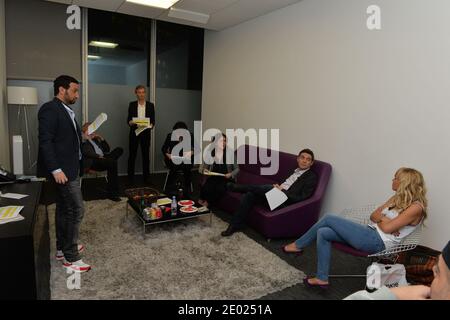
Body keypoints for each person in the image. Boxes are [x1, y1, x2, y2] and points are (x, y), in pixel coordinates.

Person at [284, 167, 427, 288]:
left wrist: (385, 222)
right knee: (323, 232)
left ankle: (297, 245)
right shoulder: (396, 198)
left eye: (396, 178)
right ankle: (322, 278)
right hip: (370, 232)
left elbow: (386, 229)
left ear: (404, 183)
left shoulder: (416, 208)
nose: (392, 180)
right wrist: (386, 221)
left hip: (377, 242)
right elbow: (373, 216)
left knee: (328, 218)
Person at [37, 75, 91, 273]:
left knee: (63, 209)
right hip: (63, 172)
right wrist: (56, 169)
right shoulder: (50, 109)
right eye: (74, 90)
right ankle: (71, 256)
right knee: (76, 210)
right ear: (62, 90)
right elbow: (46, 142)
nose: (77, 94)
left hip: (70, 168)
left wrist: (84, 136)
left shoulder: (66, 110)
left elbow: (65, 138)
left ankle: (61, 248)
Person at [221, 148, 318, 237]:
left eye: (308, 159)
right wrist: (278, 188)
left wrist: (281, 190)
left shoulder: (311, 177)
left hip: (286, 203)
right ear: (298, 159)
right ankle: (234, 225)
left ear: (311, 163)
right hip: (276, 197)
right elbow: (283, 184)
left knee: (270, 187)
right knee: (250, 195)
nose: (304, 161)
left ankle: (238, 188)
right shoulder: (293, 171)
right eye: (302, 158)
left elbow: (302, 198)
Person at [345, 240, 450, 300]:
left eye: (438, 272)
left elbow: (386, 227)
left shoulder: (416, 208)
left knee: (330, 222)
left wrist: (392, 295)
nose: (433, 269)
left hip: (379, 241)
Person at [81, 122, 124, 202]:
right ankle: (112, 193)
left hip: (103, 157)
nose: (93, 131)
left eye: (93, 129)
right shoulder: (83, 139)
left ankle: (110, 161)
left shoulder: (95, 139)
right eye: (91, 129)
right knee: (112, 163)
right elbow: (86, 152)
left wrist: (100, 137)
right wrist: (98, 156)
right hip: (94, 161)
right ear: (85, 130)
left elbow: (107, 149)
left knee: (119, 149)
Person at [198, 133, 239, 209]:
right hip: (214, 176)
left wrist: (231, 174)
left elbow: (237, 169)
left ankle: (206, 204)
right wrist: (205, 170)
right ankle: (200, 202)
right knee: (207, 186)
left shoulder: (230, 152)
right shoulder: (211, 152)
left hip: (226, 178)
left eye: (224, 141)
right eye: (221, 141)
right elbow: (205, 168)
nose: (223, 143)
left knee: (219, 188)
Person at [127, 85, 155, 184]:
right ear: (136, 93)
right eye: (139, 92)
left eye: (143, 92)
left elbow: (153, 122)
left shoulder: (151, 105)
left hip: (146, 134)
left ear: (145, 93)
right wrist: (132, 122)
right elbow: (128, 121)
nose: (141, 94)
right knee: (132, 156)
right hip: (134, 133)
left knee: (146, 156)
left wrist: (150, 125)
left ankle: (146, 179)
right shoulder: (132, 105)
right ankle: (130, 179)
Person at [161, 121, 194, 198]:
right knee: (175, 165)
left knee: (187, 166)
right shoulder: (170, 136)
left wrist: (191, 152)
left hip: (185, 158)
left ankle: (187, 188)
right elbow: (164, 148)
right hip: (173, 158)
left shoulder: (190, 136)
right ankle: (171, 188)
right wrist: (167, 154)